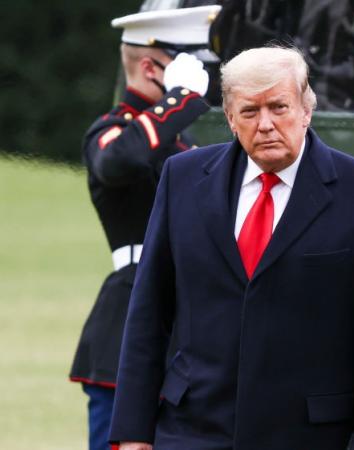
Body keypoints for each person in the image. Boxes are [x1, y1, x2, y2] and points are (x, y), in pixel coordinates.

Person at [108, 45, 354, 450]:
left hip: (311, 437)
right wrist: (132, 434)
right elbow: (149, 314)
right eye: (250, 111)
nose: (266, 124)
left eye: (279, 107)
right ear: (231, 118)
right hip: (192, 431)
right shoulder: (181, 178)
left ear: (307, 109)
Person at [68, 6, 219, 450]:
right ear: (152, 67)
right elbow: (121, 161)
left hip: (188, 321)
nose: (204, 77)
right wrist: (180, 99)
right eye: (190, 62)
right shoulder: (110, 133)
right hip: (130, 319)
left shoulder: (181, 143)